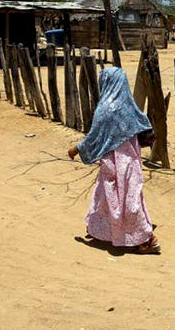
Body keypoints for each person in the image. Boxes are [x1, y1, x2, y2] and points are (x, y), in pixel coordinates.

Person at [67, 67, 161, 254]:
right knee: (127, 196)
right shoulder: (129, 104)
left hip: (113, 161)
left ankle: (146, 238)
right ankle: (108, 232)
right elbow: (145, 124)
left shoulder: (106, 108)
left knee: (114, 197)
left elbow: (94, 136)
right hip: (131, 161)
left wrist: (77, 148)